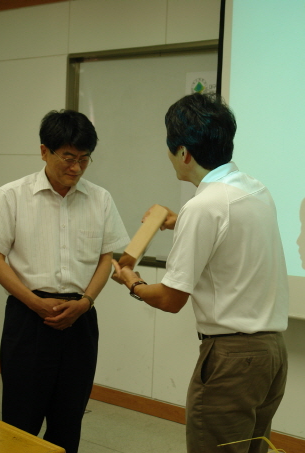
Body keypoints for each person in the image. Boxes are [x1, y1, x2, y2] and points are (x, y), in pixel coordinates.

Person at [112, 93, 289, 453]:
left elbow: (171, 299)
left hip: (232, 358)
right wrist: (179, 221)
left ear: (184, 153)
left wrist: (133, 281)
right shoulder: (256, 190)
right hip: (271, 354)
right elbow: (230, 234)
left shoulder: (203, 206)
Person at [0, 109, 129, 453]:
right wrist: (34, 302)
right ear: (44, 151)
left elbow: (106, 259)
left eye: (85, 159)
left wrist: (86, 302)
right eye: (68, 157)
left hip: (80, 318)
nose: (76, 168)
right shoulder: (12, 195)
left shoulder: (100, 199)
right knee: (20, 421)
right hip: (28, 318)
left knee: (68, 420)